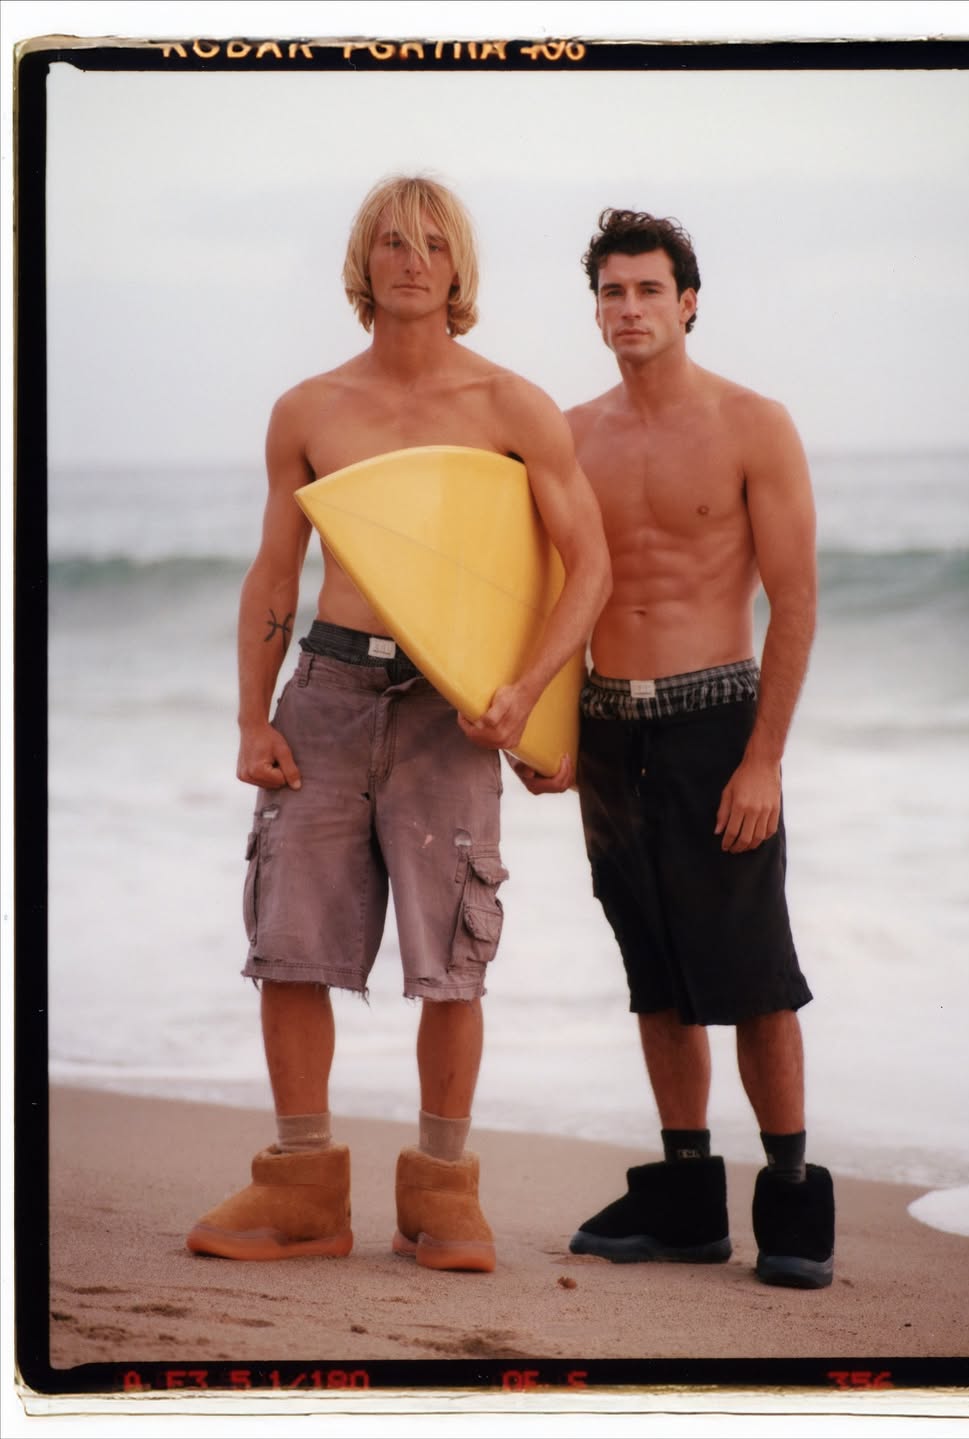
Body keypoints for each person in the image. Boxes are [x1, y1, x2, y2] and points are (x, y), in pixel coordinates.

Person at [185, 176, 610, 1274]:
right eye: (390, 242)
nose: (411, 258)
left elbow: (587, 567)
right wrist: (251, 717)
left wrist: (533, 698)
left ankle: (441, 1193)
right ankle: (301, 1187)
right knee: (290, 943)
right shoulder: (310, 409)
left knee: (451, 957)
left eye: (431, 242)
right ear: (362, 264)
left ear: (458, 266)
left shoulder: (513, 407)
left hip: (450, 707)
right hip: (326, 691)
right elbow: (274, 572)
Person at [515, 208, 833, 1288]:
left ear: (688, 302)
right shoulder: (568, 435)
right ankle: (689, 1197)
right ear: (596, 309)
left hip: (718, 723)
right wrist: (545, 729)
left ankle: (791, 1195)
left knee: (755, 973)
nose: (630, 308)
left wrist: (765, 757)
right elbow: (545, 594)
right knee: (652, 968)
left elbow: (795, 601)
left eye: (649, 289)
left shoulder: (754, 424)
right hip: (609, 730)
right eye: (613, 291)